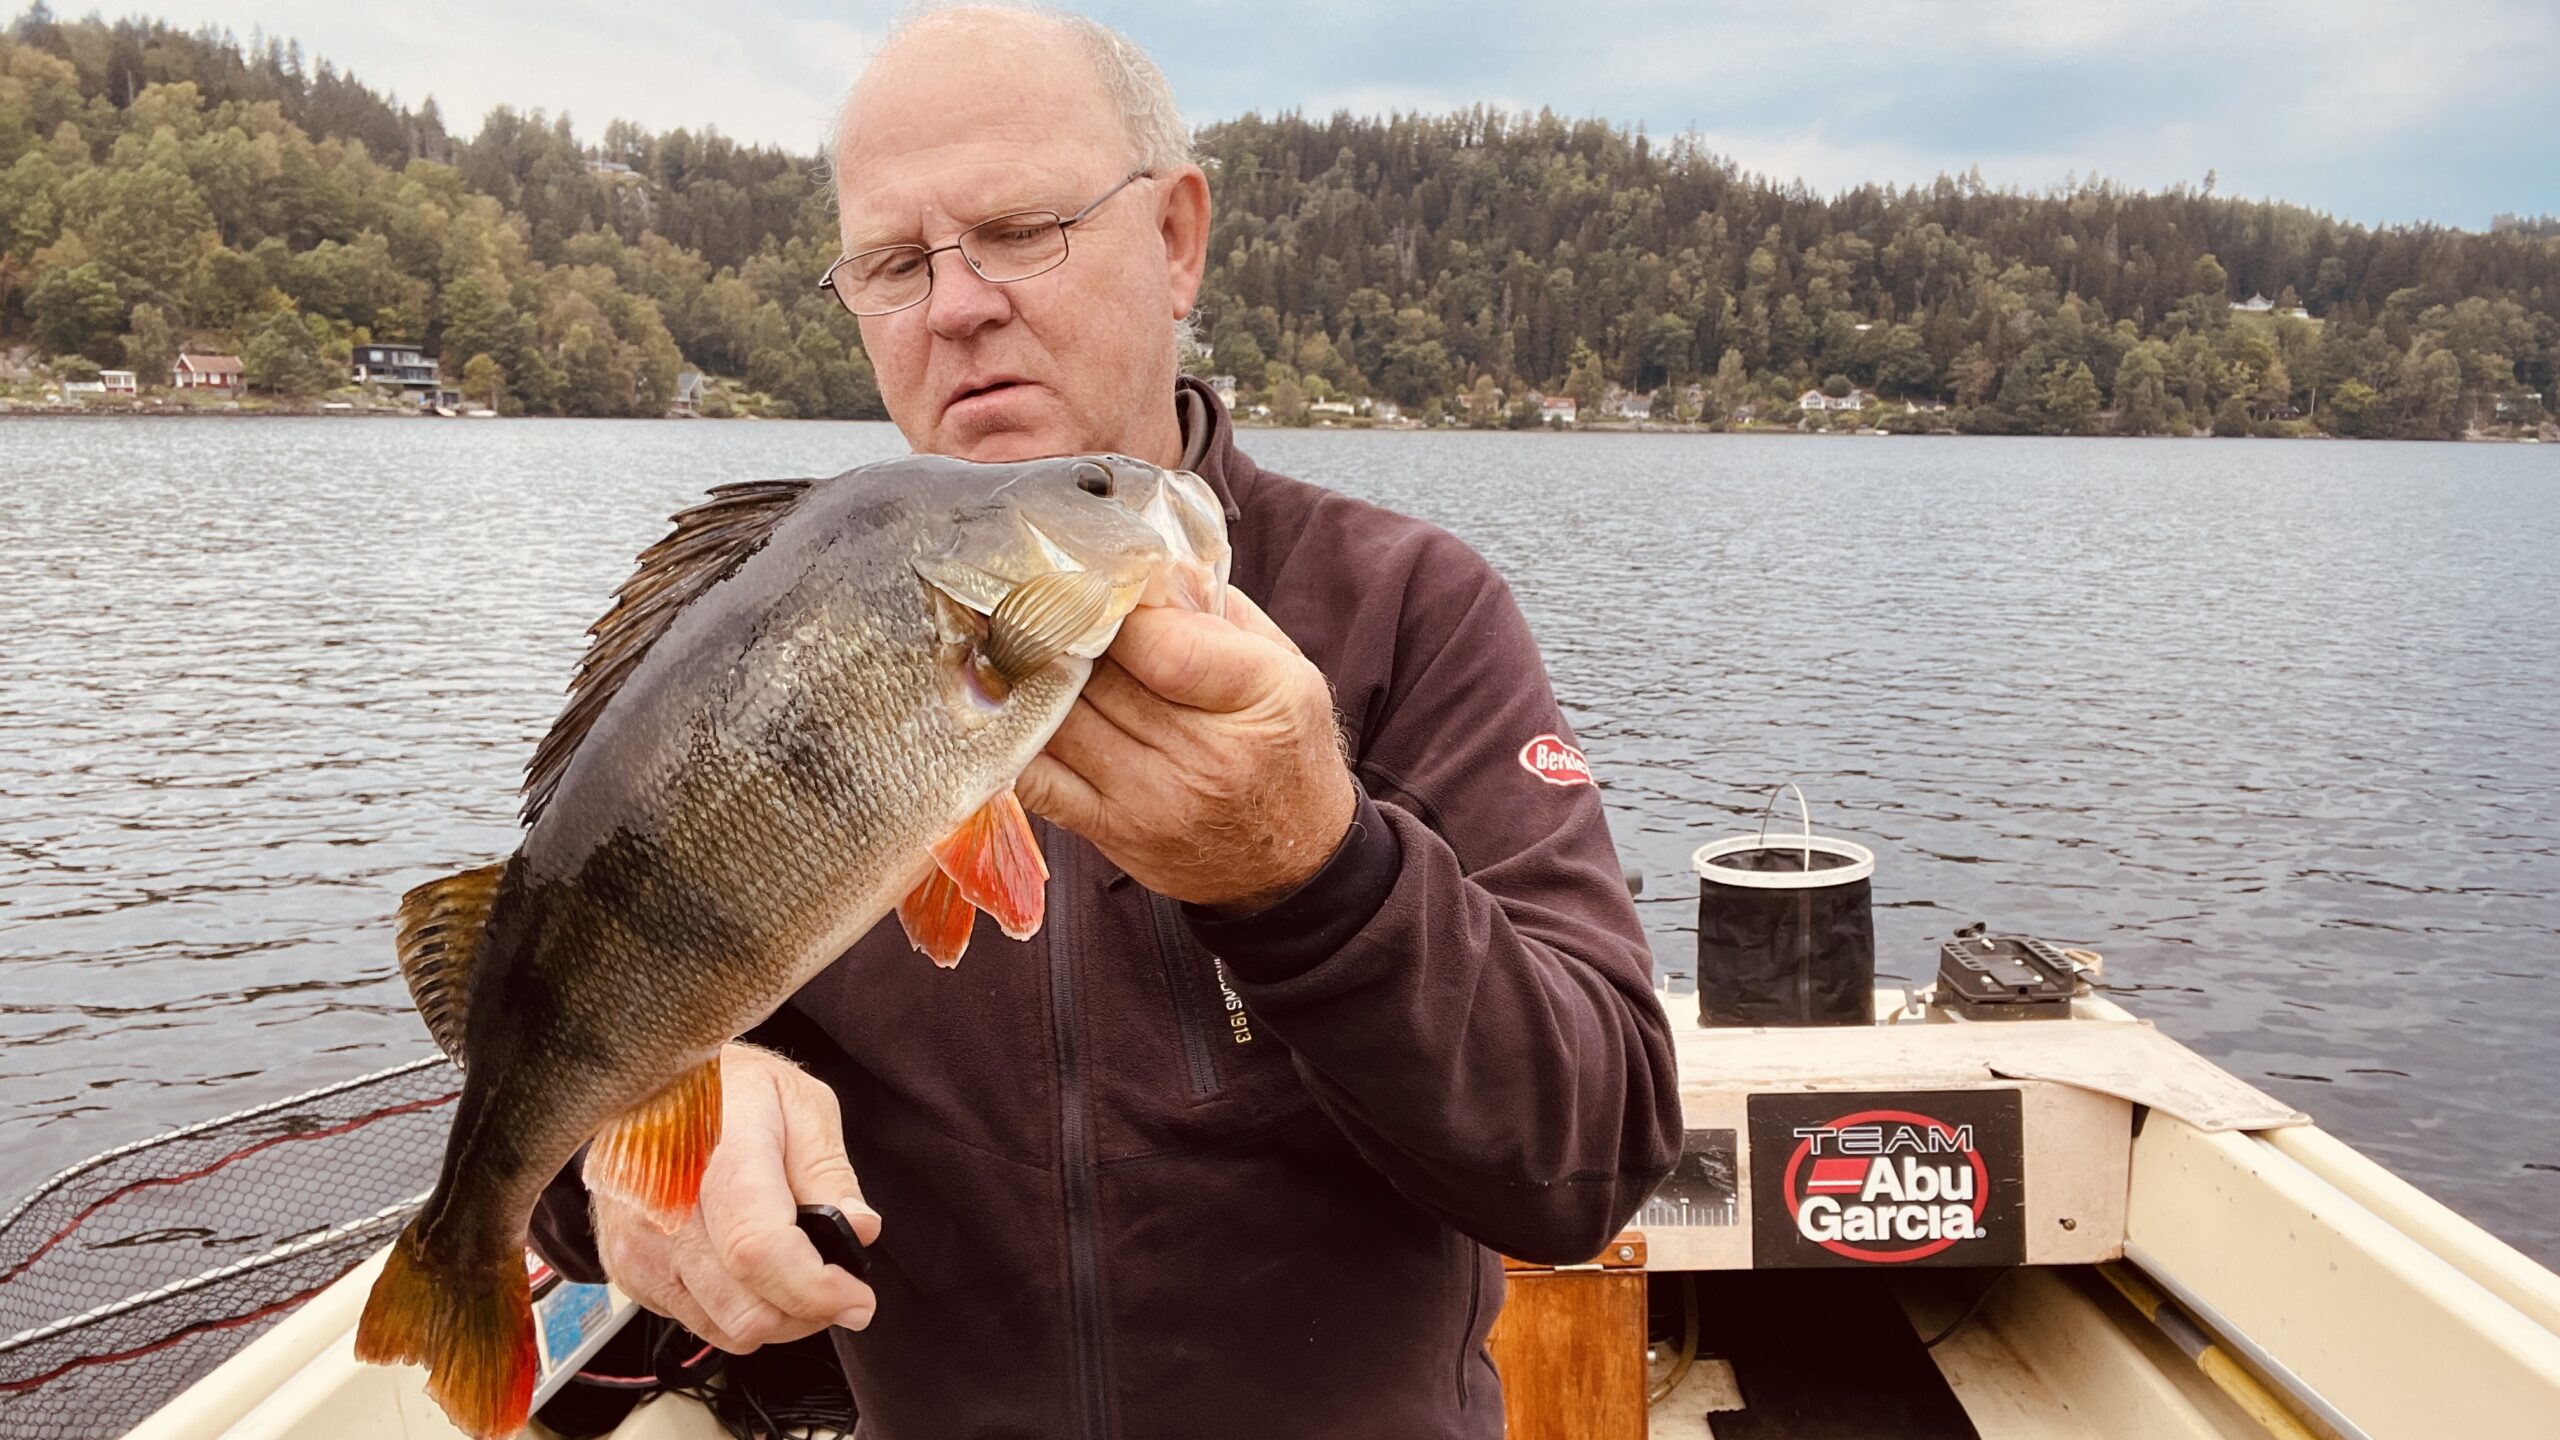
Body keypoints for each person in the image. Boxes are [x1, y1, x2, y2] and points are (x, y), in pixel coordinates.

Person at [531, 7, 1680, 1436]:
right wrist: (635, 1167)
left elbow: (1592, 1158)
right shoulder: (766, 642)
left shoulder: (1407, 610)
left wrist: (1318, 877)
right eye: (894, 263)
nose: (954, 306)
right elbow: (554, 1079)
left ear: (1178, 238)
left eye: (1020, 229)